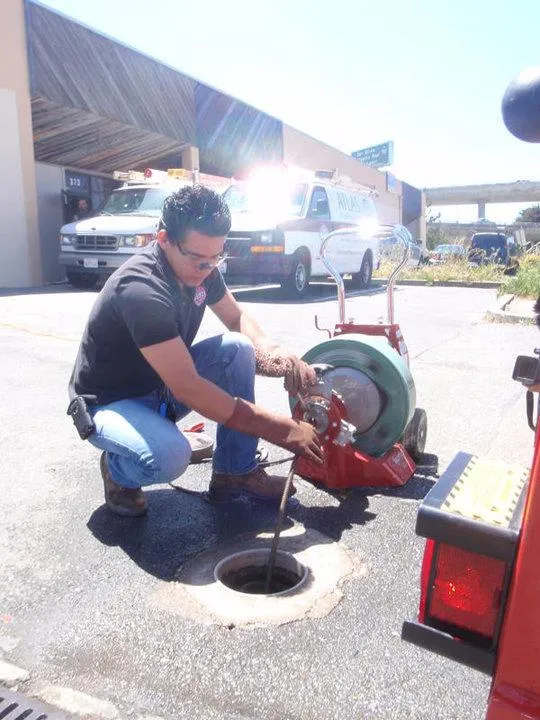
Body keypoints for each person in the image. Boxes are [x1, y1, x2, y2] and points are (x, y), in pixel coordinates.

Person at [68, 185, 323, 517]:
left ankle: (235, 472)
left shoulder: (200, 268)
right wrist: (284, 430)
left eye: (216, 256)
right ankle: (118, 469)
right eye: (198, 259)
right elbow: (188, 386)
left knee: (237, 348)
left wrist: (276, 352)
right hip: (110, 403)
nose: (207, 268)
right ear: (163, 239)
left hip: (158, 387)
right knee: (170, 457)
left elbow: (236, 317)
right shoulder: (141, 289)